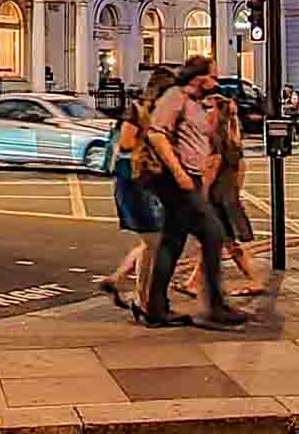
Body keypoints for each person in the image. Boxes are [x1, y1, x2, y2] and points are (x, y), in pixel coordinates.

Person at [144, 55, 249, 330]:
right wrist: (179, 172)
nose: (216, 82)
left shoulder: (195, 104)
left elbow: (200, 140)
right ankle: (215, 306)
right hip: (173, 179)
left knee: (173, 240)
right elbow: (156, 134)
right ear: (197, 77)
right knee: (213, 232)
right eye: (212, 76)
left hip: (188, 178)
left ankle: (156, 308)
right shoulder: (174, 96)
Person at [100, 67, 175, 314]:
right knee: (153, 240)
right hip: (134, 181)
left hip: (148, 182)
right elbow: (126, 143)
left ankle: (131, 289)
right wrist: (153, 137)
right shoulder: (137, 111)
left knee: (152, 242)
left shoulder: (156, 113)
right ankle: (141, 299)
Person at [184, 93, 264, 298]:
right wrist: (235, 192)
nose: (202, 112)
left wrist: (200, 197)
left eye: (207, 108)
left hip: (217, 199)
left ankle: (254, 280)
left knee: (229, 243)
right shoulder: (232, 135)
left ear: (217, 112)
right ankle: (193, 282)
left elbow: (211, 170)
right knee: (212, 241)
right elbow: (240, 169)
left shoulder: (215, 138)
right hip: (226, 198)